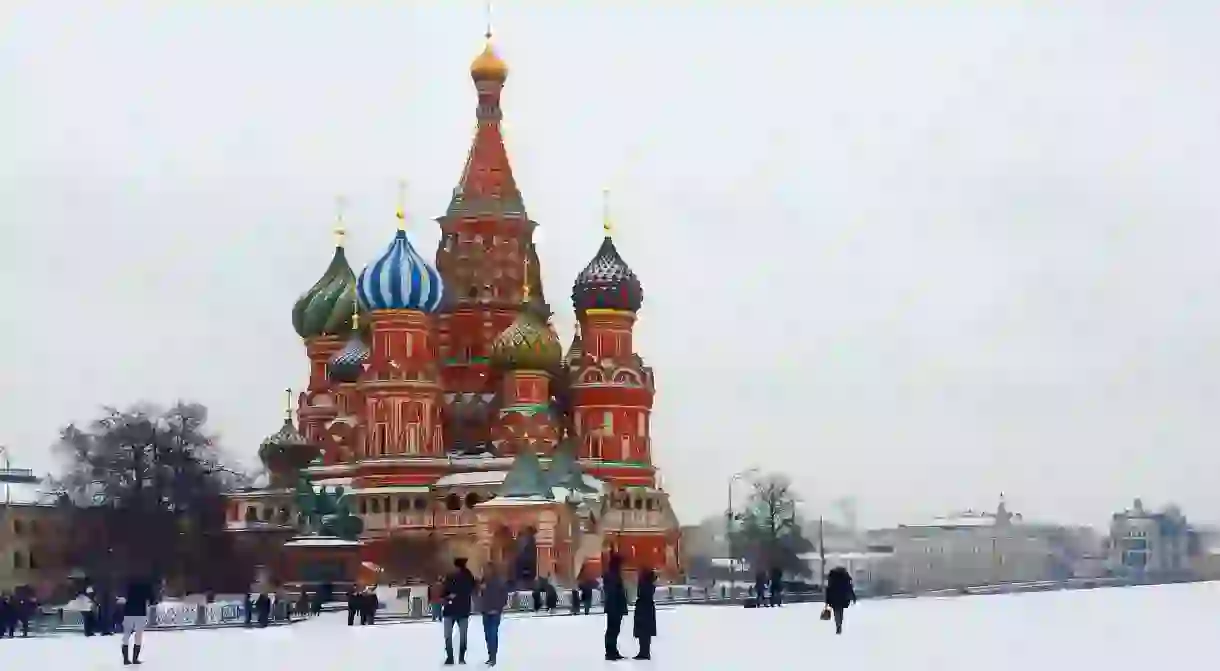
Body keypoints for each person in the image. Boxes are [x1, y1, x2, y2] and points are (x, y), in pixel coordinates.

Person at [441, 557, 477, 666]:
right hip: (463, 609)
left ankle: (450, 658)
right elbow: (472, 589)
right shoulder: (469, 577)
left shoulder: (450, 576)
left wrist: (447, 597)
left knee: (448, 636)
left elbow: (444, 591)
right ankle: (461, 658)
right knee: (463, 635)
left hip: (450, 609)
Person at [479, 563, 509, 667]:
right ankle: (490, 655)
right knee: (488, 636)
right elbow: (480, 596)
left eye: (485, 569)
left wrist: (498, 608)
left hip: (495, 612)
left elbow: (504, 596)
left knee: (492, 635)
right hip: (485, 612)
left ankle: (493, 658)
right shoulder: (483, 581)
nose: (483, 571)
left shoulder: (499, 581)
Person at [120, 576, 155, 665]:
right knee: (138, 637)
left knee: (126, 636)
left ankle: (125, 659)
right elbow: (152, 600)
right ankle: (135, 659)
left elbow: (122, 597)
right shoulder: (147, 586)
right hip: (140, 613)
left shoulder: (128, 585)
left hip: (128, 612)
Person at [602, 553, 628, 661]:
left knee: (614, 630)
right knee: (612, 630)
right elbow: (613, 593)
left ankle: (613, 650)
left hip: (615, 607)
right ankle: (610, 652)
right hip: (614, 607)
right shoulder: (613, 576)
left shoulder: (614, 575)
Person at [632, 568, 657, 660]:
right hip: (646, 608)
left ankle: (644, 652)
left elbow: (642, 594)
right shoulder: (648, 583)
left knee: (644, 631)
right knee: (644, 631)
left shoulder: (646, 584)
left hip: (644, 608)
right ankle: (644, 651)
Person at [824, 566, 857, 635]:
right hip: (843, 597)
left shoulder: (832, 578)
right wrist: (853, 597)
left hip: (834, 598)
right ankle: (839, 624)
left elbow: (828, 589)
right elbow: (849, 588)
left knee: (836, 611)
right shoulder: (845, 578)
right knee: (840, 611)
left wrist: (827, 601)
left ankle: (838, 624)